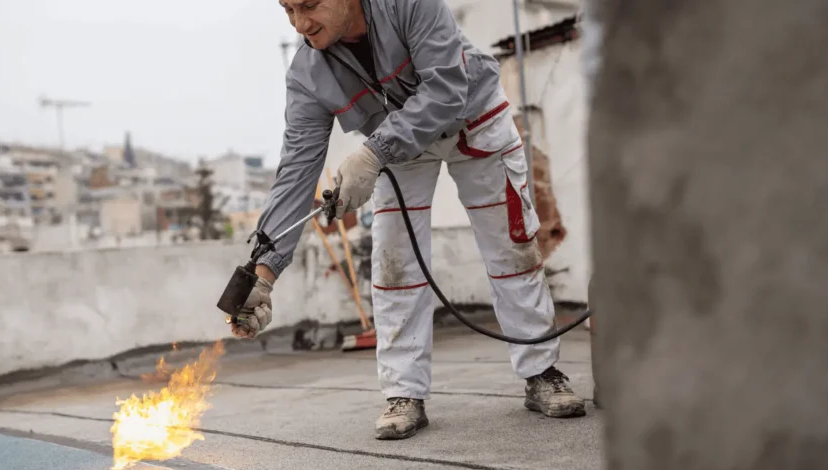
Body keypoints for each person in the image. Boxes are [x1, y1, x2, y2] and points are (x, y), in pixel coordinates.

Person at [231, 0, 586, 440]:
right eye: (287, 10)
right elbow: (296, 170)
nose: (301, 24)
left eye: (310, 5)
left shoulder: (411, 4)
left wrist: (374, 153)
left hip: (471, 116)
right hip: (398, 140)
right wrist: (262, 277)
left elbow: (446, 89)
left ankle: (542, 372)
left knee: (511, 247)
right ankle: (404, 393)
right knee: (394, 263)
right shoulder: (306, 73)